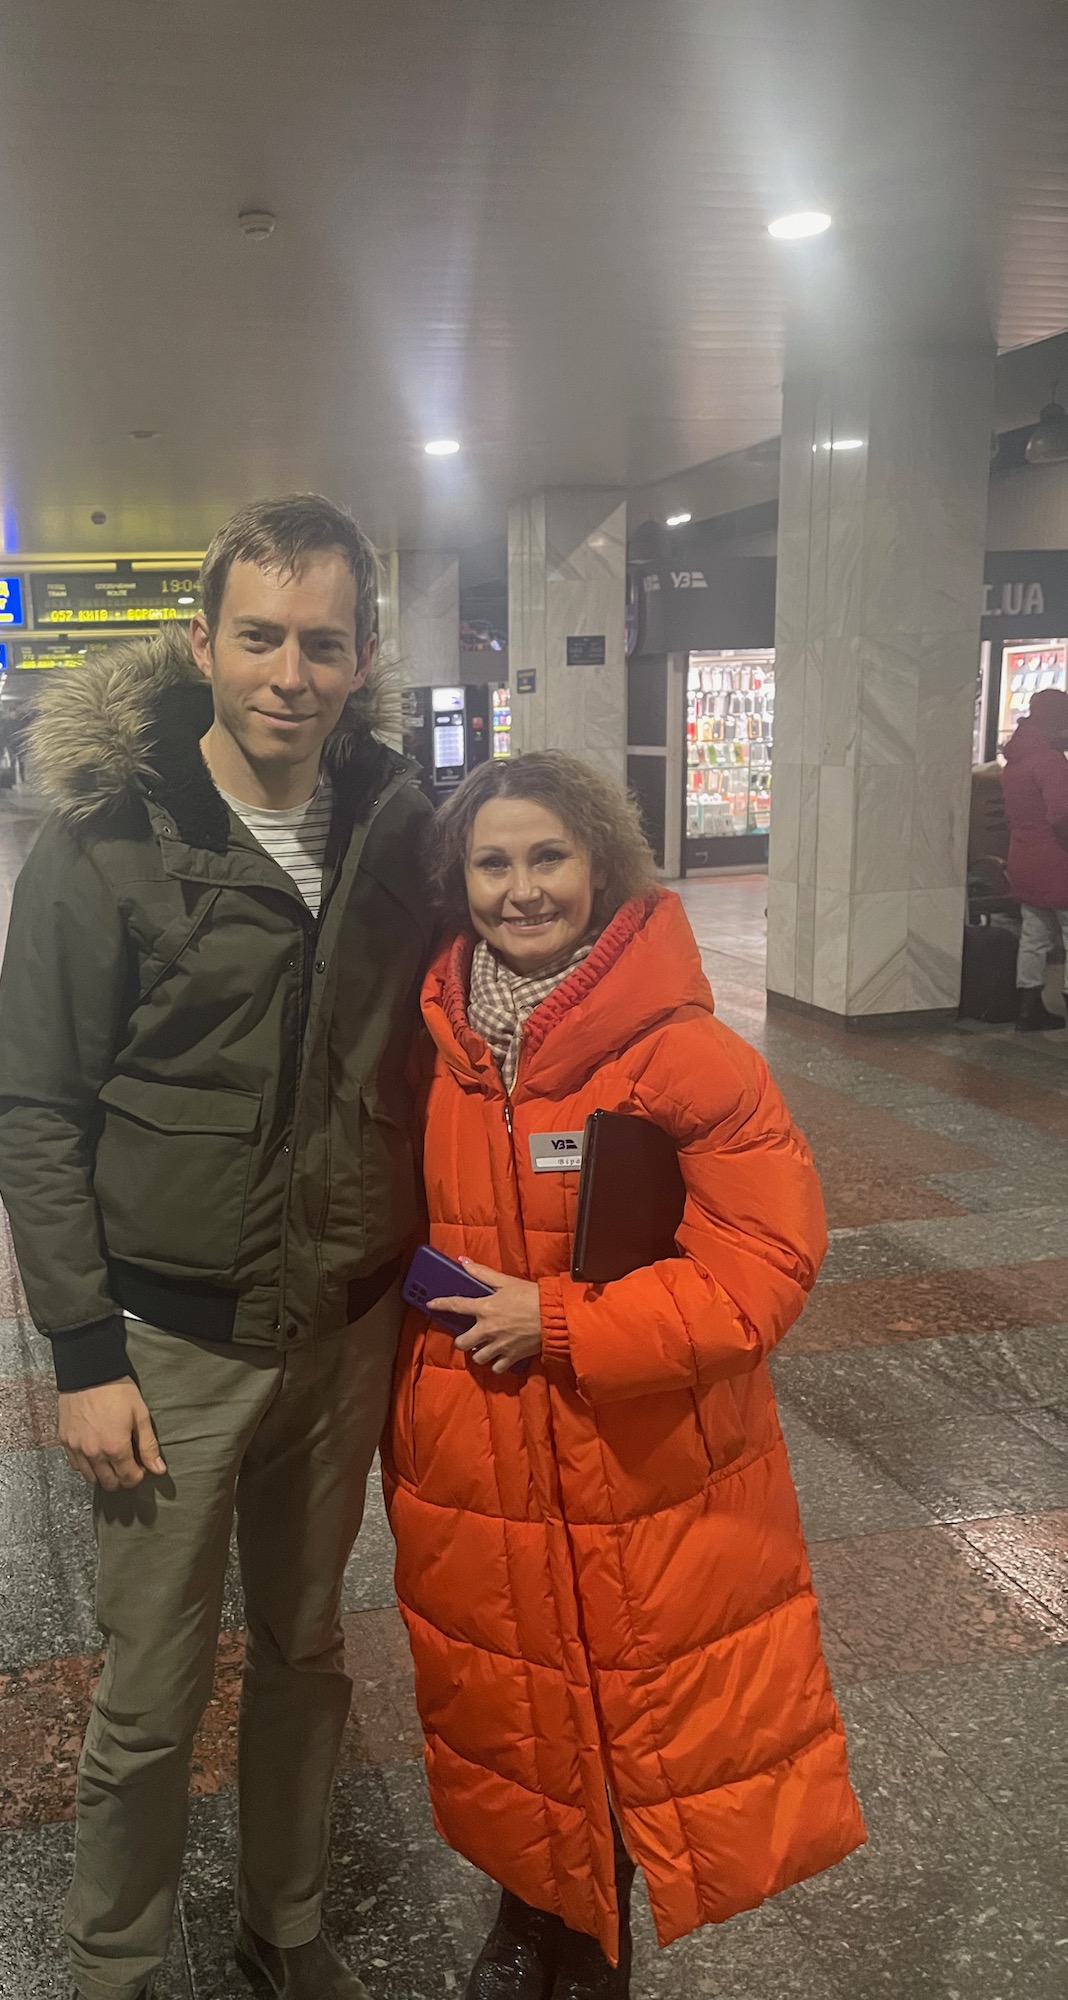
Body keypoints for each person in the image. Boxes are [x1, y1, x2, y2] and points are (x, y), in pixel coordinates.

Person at [0, 495, 433, 2000]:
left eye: (322, 643)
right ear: (203, 640)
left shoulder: (399, 829)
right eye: (259, 636)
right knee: (152, 1690)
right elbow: (35, 1101)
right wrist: (82, 1352)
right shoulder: (111, 836)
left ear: (362, 656)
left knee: (306, 1653)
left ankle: (284, 1921)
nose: (290, 673)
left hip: (343, 1325)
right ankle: (115, 1964)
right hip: (169, 1341)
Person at [384, 752, 865, 2000]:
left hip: (638, 1448)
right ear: (460, 879)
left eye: (549, 856)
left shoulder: (685, 1051)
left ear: (602, 865)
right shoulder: (432, 1043)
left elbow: (764, 1261)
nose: (522, 887)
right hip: (478, 1446)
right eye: (493, 861)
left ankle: (599, 1933)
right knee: (512, 1692)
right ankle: (529, 1906)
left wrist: (563, 1320)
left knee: (624, 1700)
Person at [1000, 683, 1068, 1032]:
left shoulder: (1015, 761)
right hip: (1056, 859)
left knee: (1035, 934)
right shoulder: (1050, 762)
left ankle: (1028, 1009)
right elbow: (1061, 816)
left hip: (1022, 856)